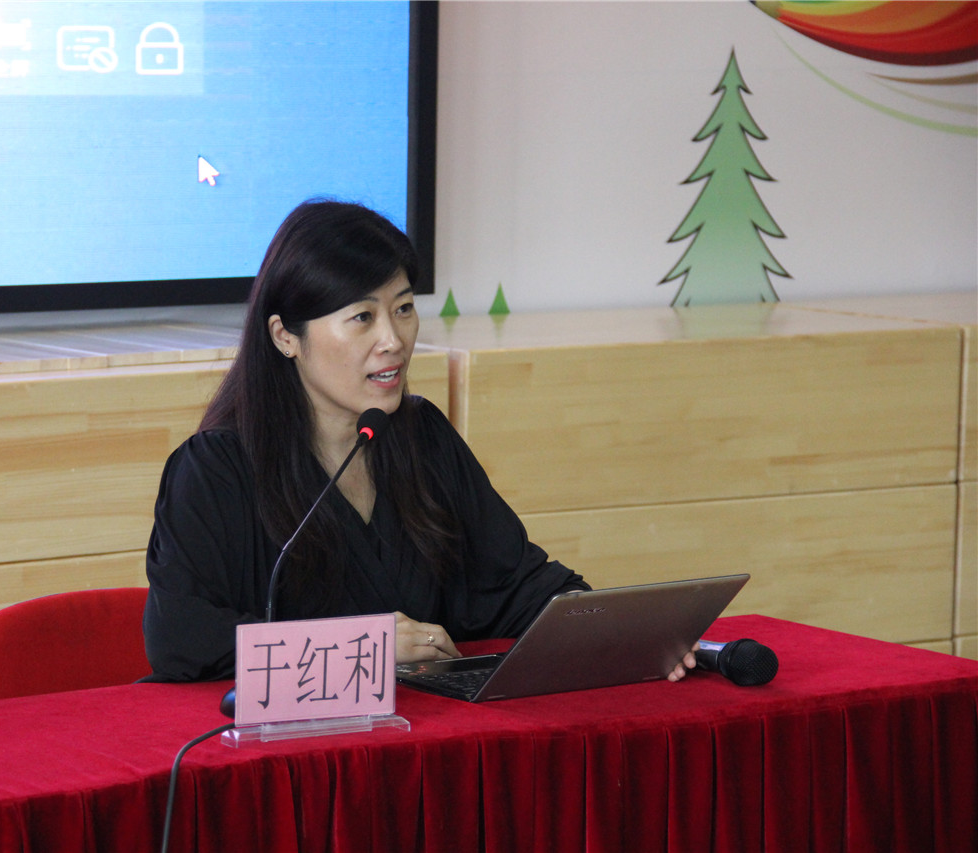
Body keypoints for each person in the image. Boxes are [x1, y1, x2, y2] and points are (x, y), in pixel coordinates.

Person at [142, 199, 697, 684]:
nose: (394, 339)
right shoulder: (216, 469)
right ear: (285, 335)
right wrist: (362, 648)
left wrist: (620, 632)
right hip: (286, 750)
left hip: (424, 736)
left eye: (403, 309)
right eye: (363, 317)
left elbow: (513, 583)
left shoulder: (421, 436)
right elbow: (182, 640)